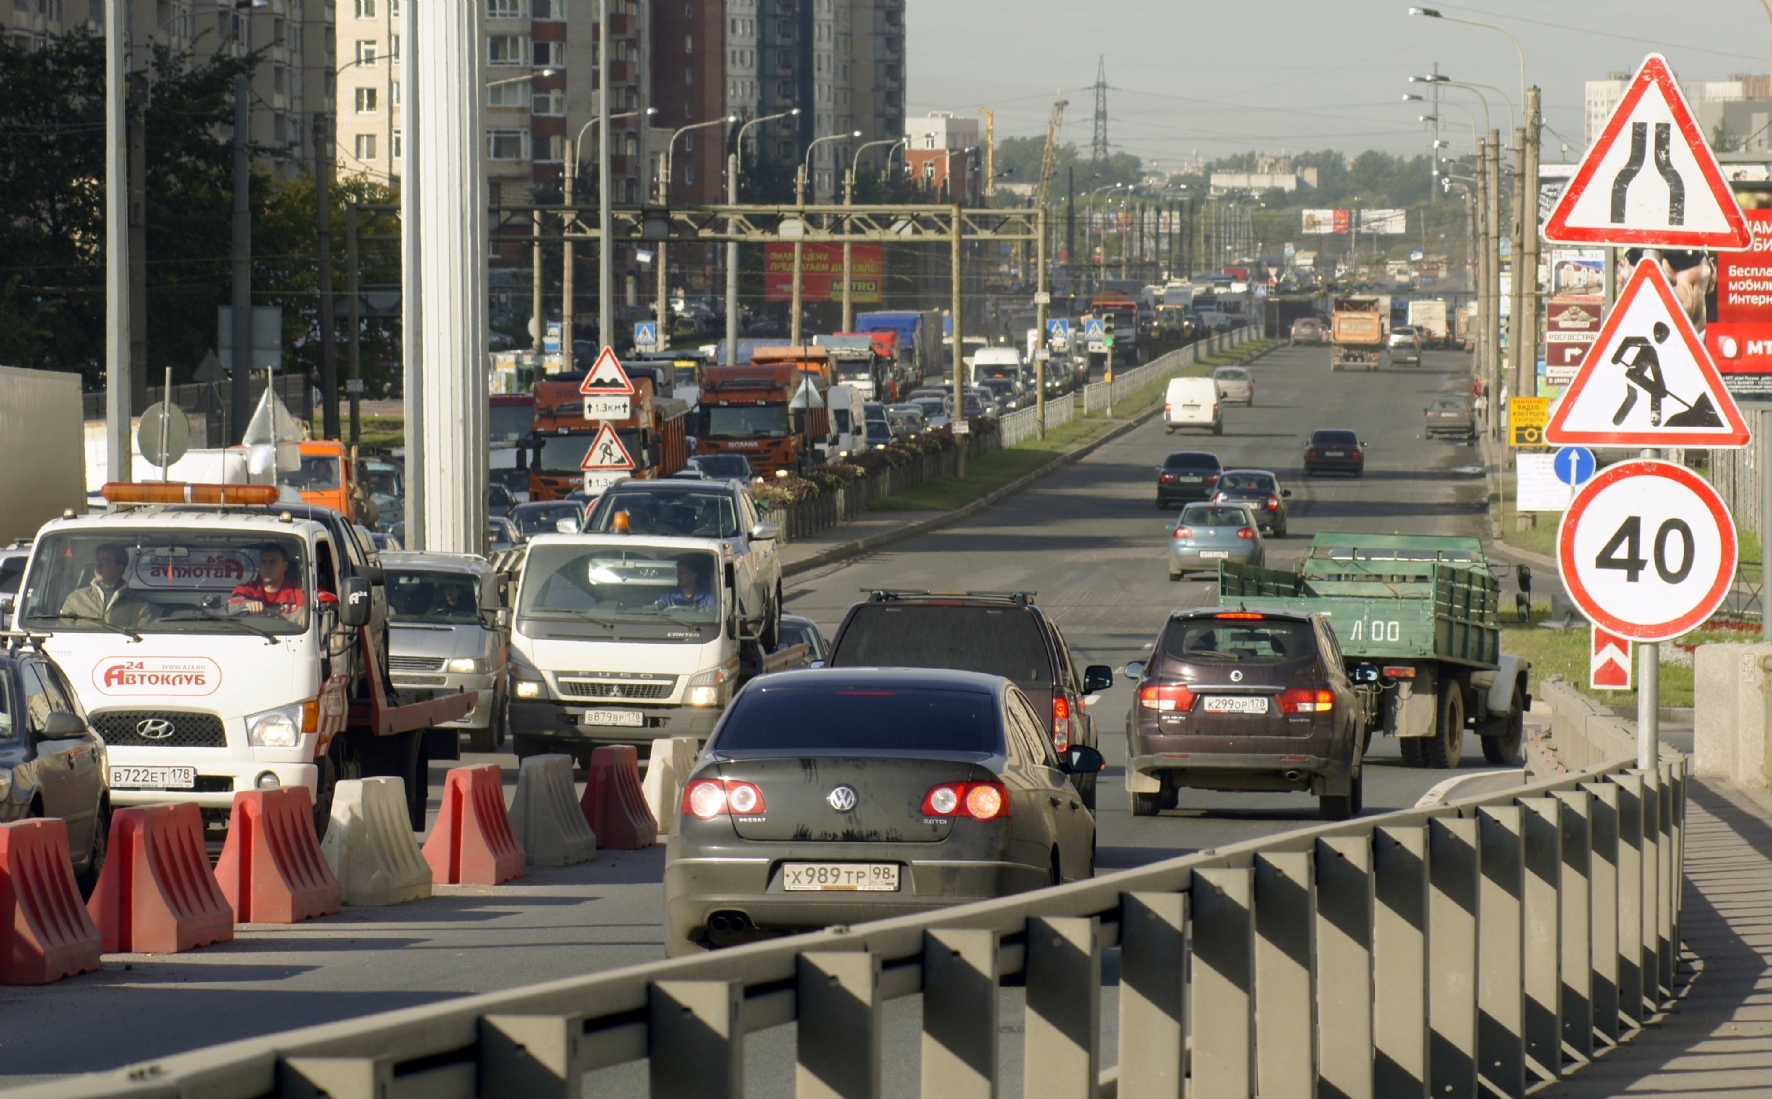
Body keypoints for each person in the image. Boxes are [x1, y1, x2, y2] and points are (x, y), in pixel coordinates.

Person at [60, 543, 154, 628]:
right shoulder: (76, 599)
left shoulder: (139, 606)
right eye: (97, 560)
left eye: (105, 561)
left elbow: (141, 640)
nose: (98, 565)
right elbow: (62, 634)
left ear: (120, 568)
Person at [230, 543, 307, 619]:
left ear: (285, 566)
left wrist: (308, 613)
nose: (267, 567)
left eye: (272, 562)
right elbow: (232, 604)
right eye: (264, 561)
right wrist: (246, 603)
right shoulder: (246, 589)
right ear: (259, 565)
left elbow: (318, 597)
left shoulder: (298, 591)